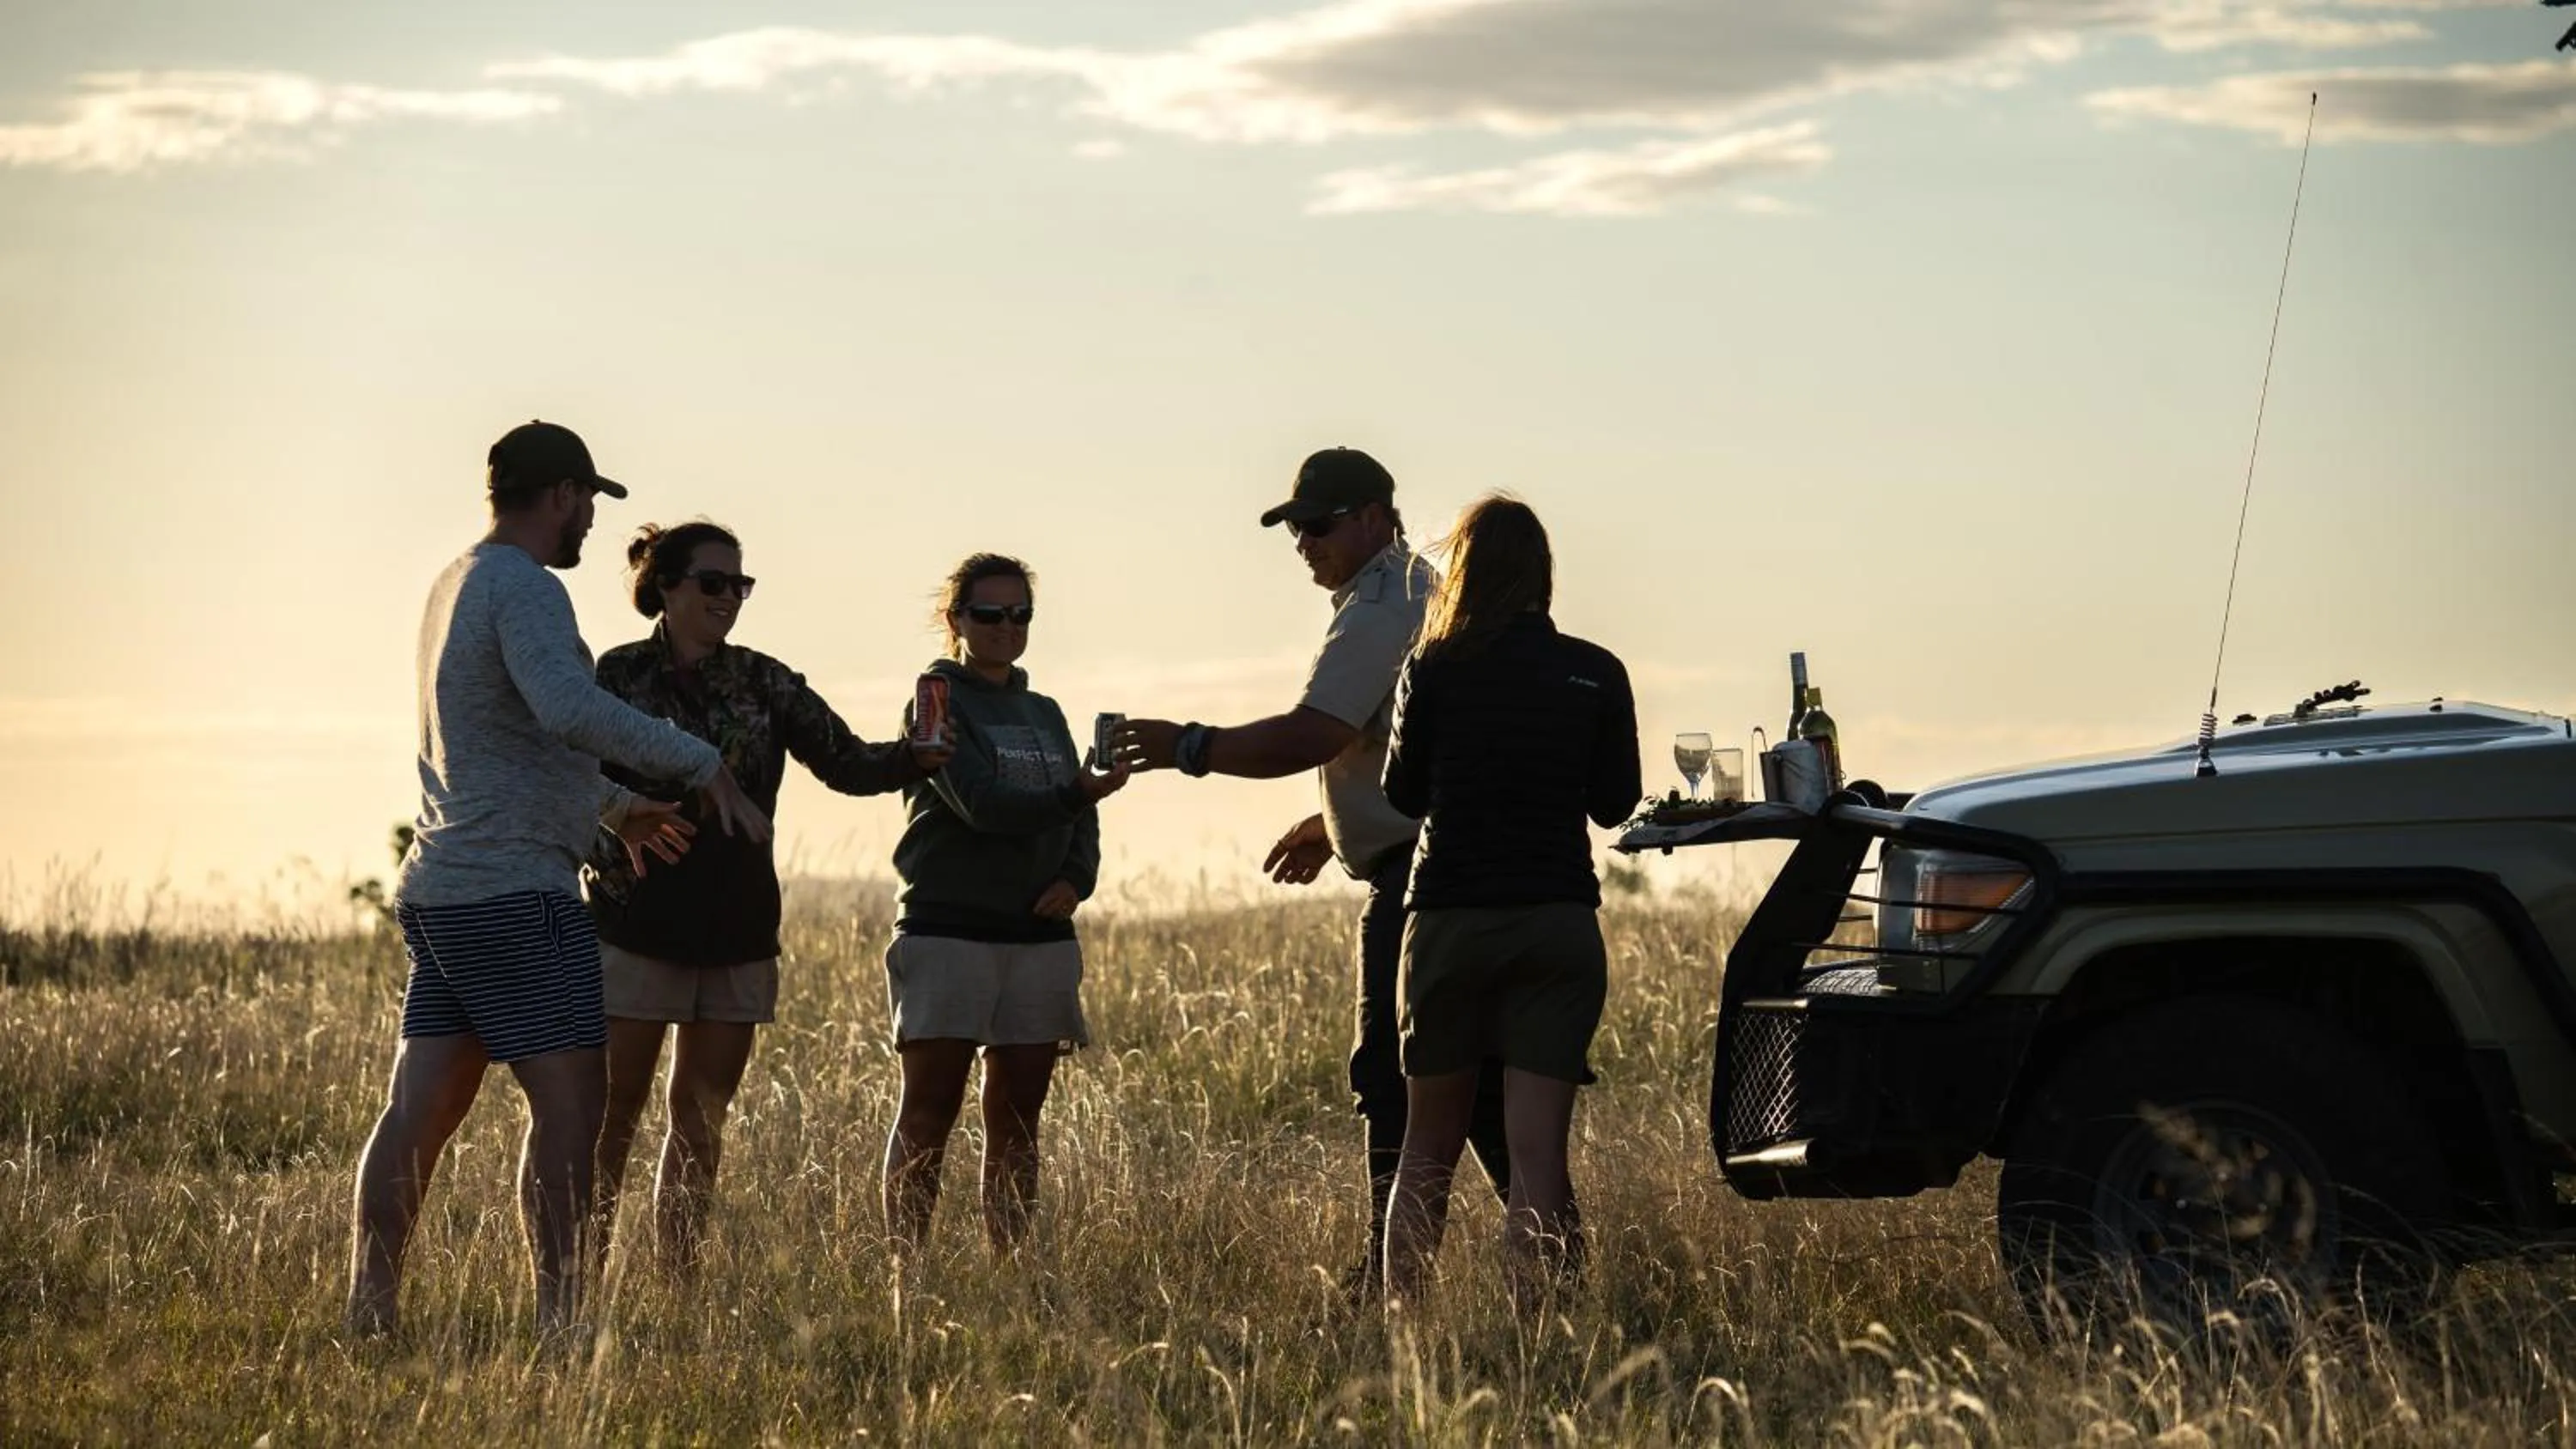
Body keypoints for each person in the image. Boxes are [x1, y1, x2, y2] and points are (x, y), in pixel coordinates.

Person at [348, 421, 771, 1340]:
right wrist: (702, 763)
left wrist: (613, 810)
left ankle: (371, 1310)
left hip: (445, 887)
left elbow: (515, 741)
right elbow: (567, 706)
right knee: (577, 1103)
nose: (589, 525)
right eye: (586, 503)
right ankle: (564, 1324)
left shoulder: (456, 579)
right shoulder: (525, 587)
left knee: (422, 1106)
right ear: (562, 496)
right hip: (514, 892)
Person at [1110, 447, 1515, 1297]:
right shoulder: (1430, 589)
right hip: (1476, 865)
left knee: (1395, 1076)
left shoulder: (1377, 606)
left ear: (1375, 515)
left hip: (1419, 883)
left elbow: (1313, 733)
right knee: (1479, 1083)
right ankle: (1545, 1268)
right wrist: (1336, 822)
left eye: (1319, 523)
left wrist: (1186, 745)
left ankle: (1388, 1276)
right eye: (1294, 526)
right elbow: (1409, 746)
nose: (1303, 540)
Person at [587, 520, 950, 1271]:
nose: (730, 598)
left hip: (737, 925)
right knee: (608, 1117)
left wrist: (918, 754)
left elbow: (849, 765)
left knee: (701, 1124)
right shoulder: (616, 676)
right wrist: (612, 837)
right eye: (713, 582)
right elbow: (571, 783)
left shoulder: (766, 680)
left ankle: (676, 1287)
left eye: (740, 584)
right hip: (632, 921)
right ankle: (576, 1280)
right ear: (665, 587)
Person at [1376, 494, 1640, 1308]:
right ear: (1544, 574)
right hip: (1556, 917)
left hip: (1449, 916)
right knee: (1537, 1155)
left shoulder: (1432, 666)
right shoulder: (1595, 670)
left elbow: (1401, 792)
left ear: (1462, 571)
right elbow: (1613, 803)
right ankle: (1543, 1336)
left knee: (1428, 1145)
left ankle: (1405, 1332)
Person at [883, 553, 1127, 1250]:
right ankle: (908, 1272)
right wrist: (1077, 793)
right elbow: (982, 806)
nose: (1006, 627)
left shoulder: (1043, 710)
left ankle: (1012, 1275)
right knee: (930, 1111)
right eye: (989, 614)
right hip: (949, 927)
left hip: (1038, 936)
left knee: (1021, 1116)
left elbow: (1082, 816)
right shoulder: (935, 699)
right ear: (955, 619)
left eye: (1020, 614)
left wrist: (1075, 881)